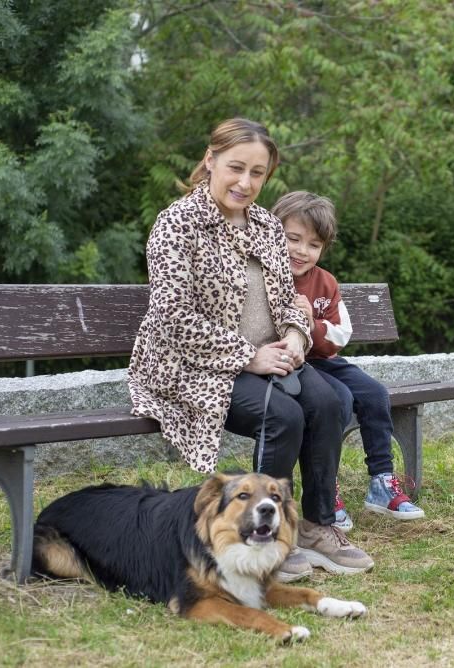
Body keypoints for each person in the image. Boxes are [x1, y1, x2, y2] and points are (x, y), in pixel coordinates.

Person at [127, 118, 373, 577]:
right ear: (210, 159)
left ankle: (316, 525)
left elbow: (290, 301)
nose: (245, 182)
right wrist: (248, 355)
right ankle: (261, 536)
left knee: (328, 399)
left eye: (257, 173)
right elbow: (172, 316)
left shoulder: (264, 224)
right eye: (236, 167)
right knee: (283, 416)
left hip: (266, 361)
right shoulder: (178, 224)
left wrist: (297, 337)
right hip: (192, 365)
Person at [271, 191, 425, 532]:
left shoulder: (325, 282)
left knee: (373, 393)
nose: (301, 251)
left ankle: (381, 483)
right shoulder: (266, 277)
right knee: (337, 400)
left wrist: (313, 324)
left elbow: (342, 333)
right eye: (293, 239)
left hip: (322, 360)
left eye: (313, 245)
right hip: (290, 364)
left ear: (323, 248)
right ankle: (326, 490)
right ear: (272, 232)